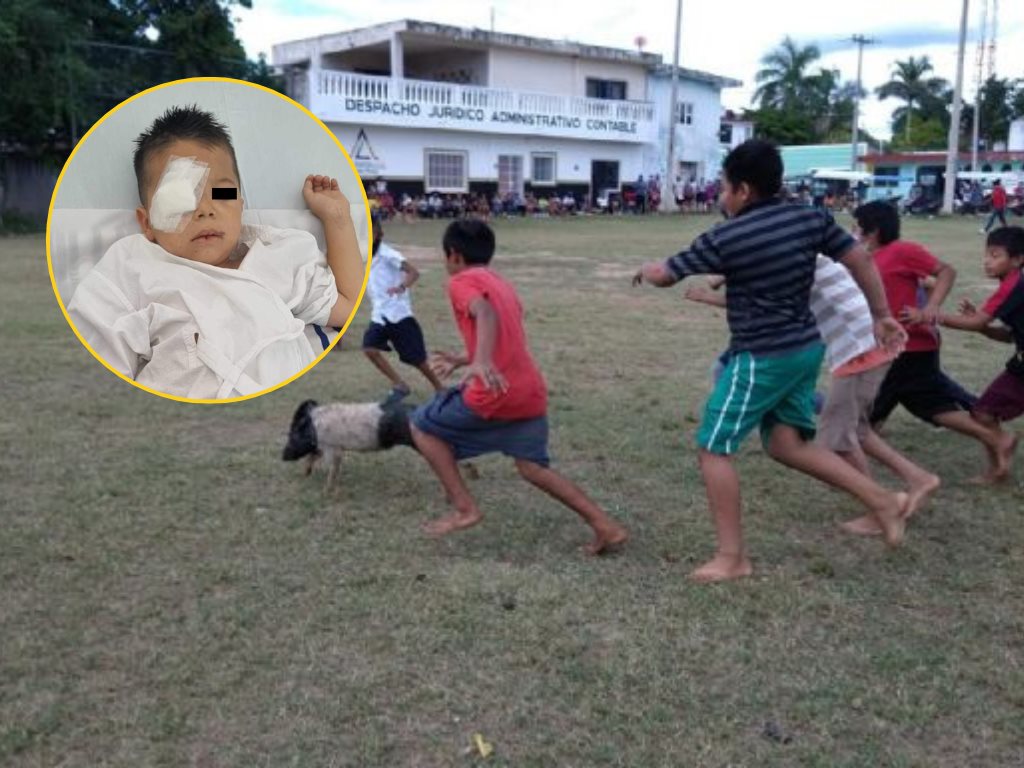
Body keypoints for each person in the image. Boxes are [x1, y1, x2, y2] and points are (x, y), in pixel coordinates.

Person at [633, 139, 909, 582]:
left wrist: (648, 269)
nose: (721, 196)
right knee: (787, 445)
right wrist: (881, 314)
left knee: (712, 447)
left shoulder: (726, 236)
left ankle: (732, 557)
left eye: (723, 188)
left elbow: (666, 275)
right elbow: (858, 257)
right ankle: (883, 500)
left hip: (763, 357)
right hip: (805, 349)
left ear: (743, 189)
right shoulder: (810, 217)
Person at [67, 105, 363, 399]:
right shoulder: (133, 269)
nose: (205, 210)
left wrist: (337, 219)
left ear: (241, 205)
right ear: (147, 223)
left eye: (222, 194)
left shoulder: (281, 256)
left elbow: (347, 307)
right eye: (179, 199)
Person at [409, 220, 628, 554]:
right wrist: (465, 358)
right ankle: (605, 525)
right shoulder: (501, 283)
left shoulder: (461, 281)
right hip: (528, 391)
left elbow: (484, 314)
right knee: (532, 468)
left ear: (453, 254)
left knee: (421, 426)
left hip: (495, 395)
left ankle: (465, 508)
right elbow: (504, 334)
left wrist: (480, 362)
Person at [685, 257, 940, 537]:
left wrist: (712, 284)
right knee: (855, 430)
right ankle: (918, 479)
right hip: (859, 348)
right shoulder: (807, 249)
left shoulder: (795, 250)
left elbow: (748, 286)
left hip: (858, 349)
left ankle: (880, 507)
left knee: (838, 438)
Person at [854, 200, 1016, 484]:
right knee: (928, 405)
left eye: (857, 224)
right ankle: (994, 438)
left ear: (873, 229)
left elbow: (946, 272)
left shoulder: (902, 251)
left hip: (909, 346)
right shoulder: (868, 259)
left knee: (883, 407)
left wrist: (932, 309)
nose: (854, 230)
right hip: (891, 347)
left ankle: (994, 437)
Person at [902, 226, 1024, 477]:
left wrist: (929, 316)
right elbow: (1007, 335)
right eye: (987, 254)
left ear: (1017, 260)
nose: (987, 261)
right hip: (1020, 364)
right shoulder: (1013, 285)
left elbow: (977, 322)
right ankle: (998, 466)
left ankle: (1000, 453)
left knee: (983, 412)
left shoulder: (1013, 286)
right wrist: (982, 328)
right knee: (983, 412)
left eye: (996, 255)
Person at [362, 214, 443, 405]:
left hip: (398, 313)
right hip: (380, 314)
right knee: (369, 348)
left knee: (417, 359)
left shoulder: (388, 254)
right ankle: (400, 384)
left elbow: (413, 272)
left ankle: (440, 388)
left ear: (378, 233)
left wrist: (401, 287)